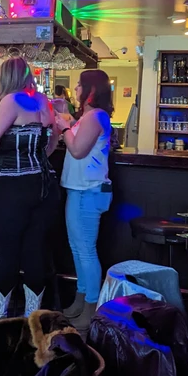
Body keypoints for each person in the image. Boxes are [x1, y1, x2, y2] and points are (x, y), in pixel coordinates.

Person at [0, 58, 62, 319]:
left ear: (5, 77)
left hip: (13, 187)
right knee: (35, 251)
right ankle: (32, 319)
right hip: (44, 184)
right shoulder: (42, 100)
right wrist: (40, 158)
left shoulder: (11, 100)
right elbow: (53, 138)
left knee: (8, 252)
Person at [59, 69, 113, 333]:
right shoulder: (90, 116)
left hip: (87, 191)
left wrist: (64, 127)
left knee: (86, 251)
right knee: (78, 248)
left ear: (91, 90)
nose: (76, 89)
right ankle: (81, 301)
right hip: (81, 190)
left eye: (80, 85)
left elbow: (78, 150)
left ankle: (91, 308)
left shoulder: (96, 116)